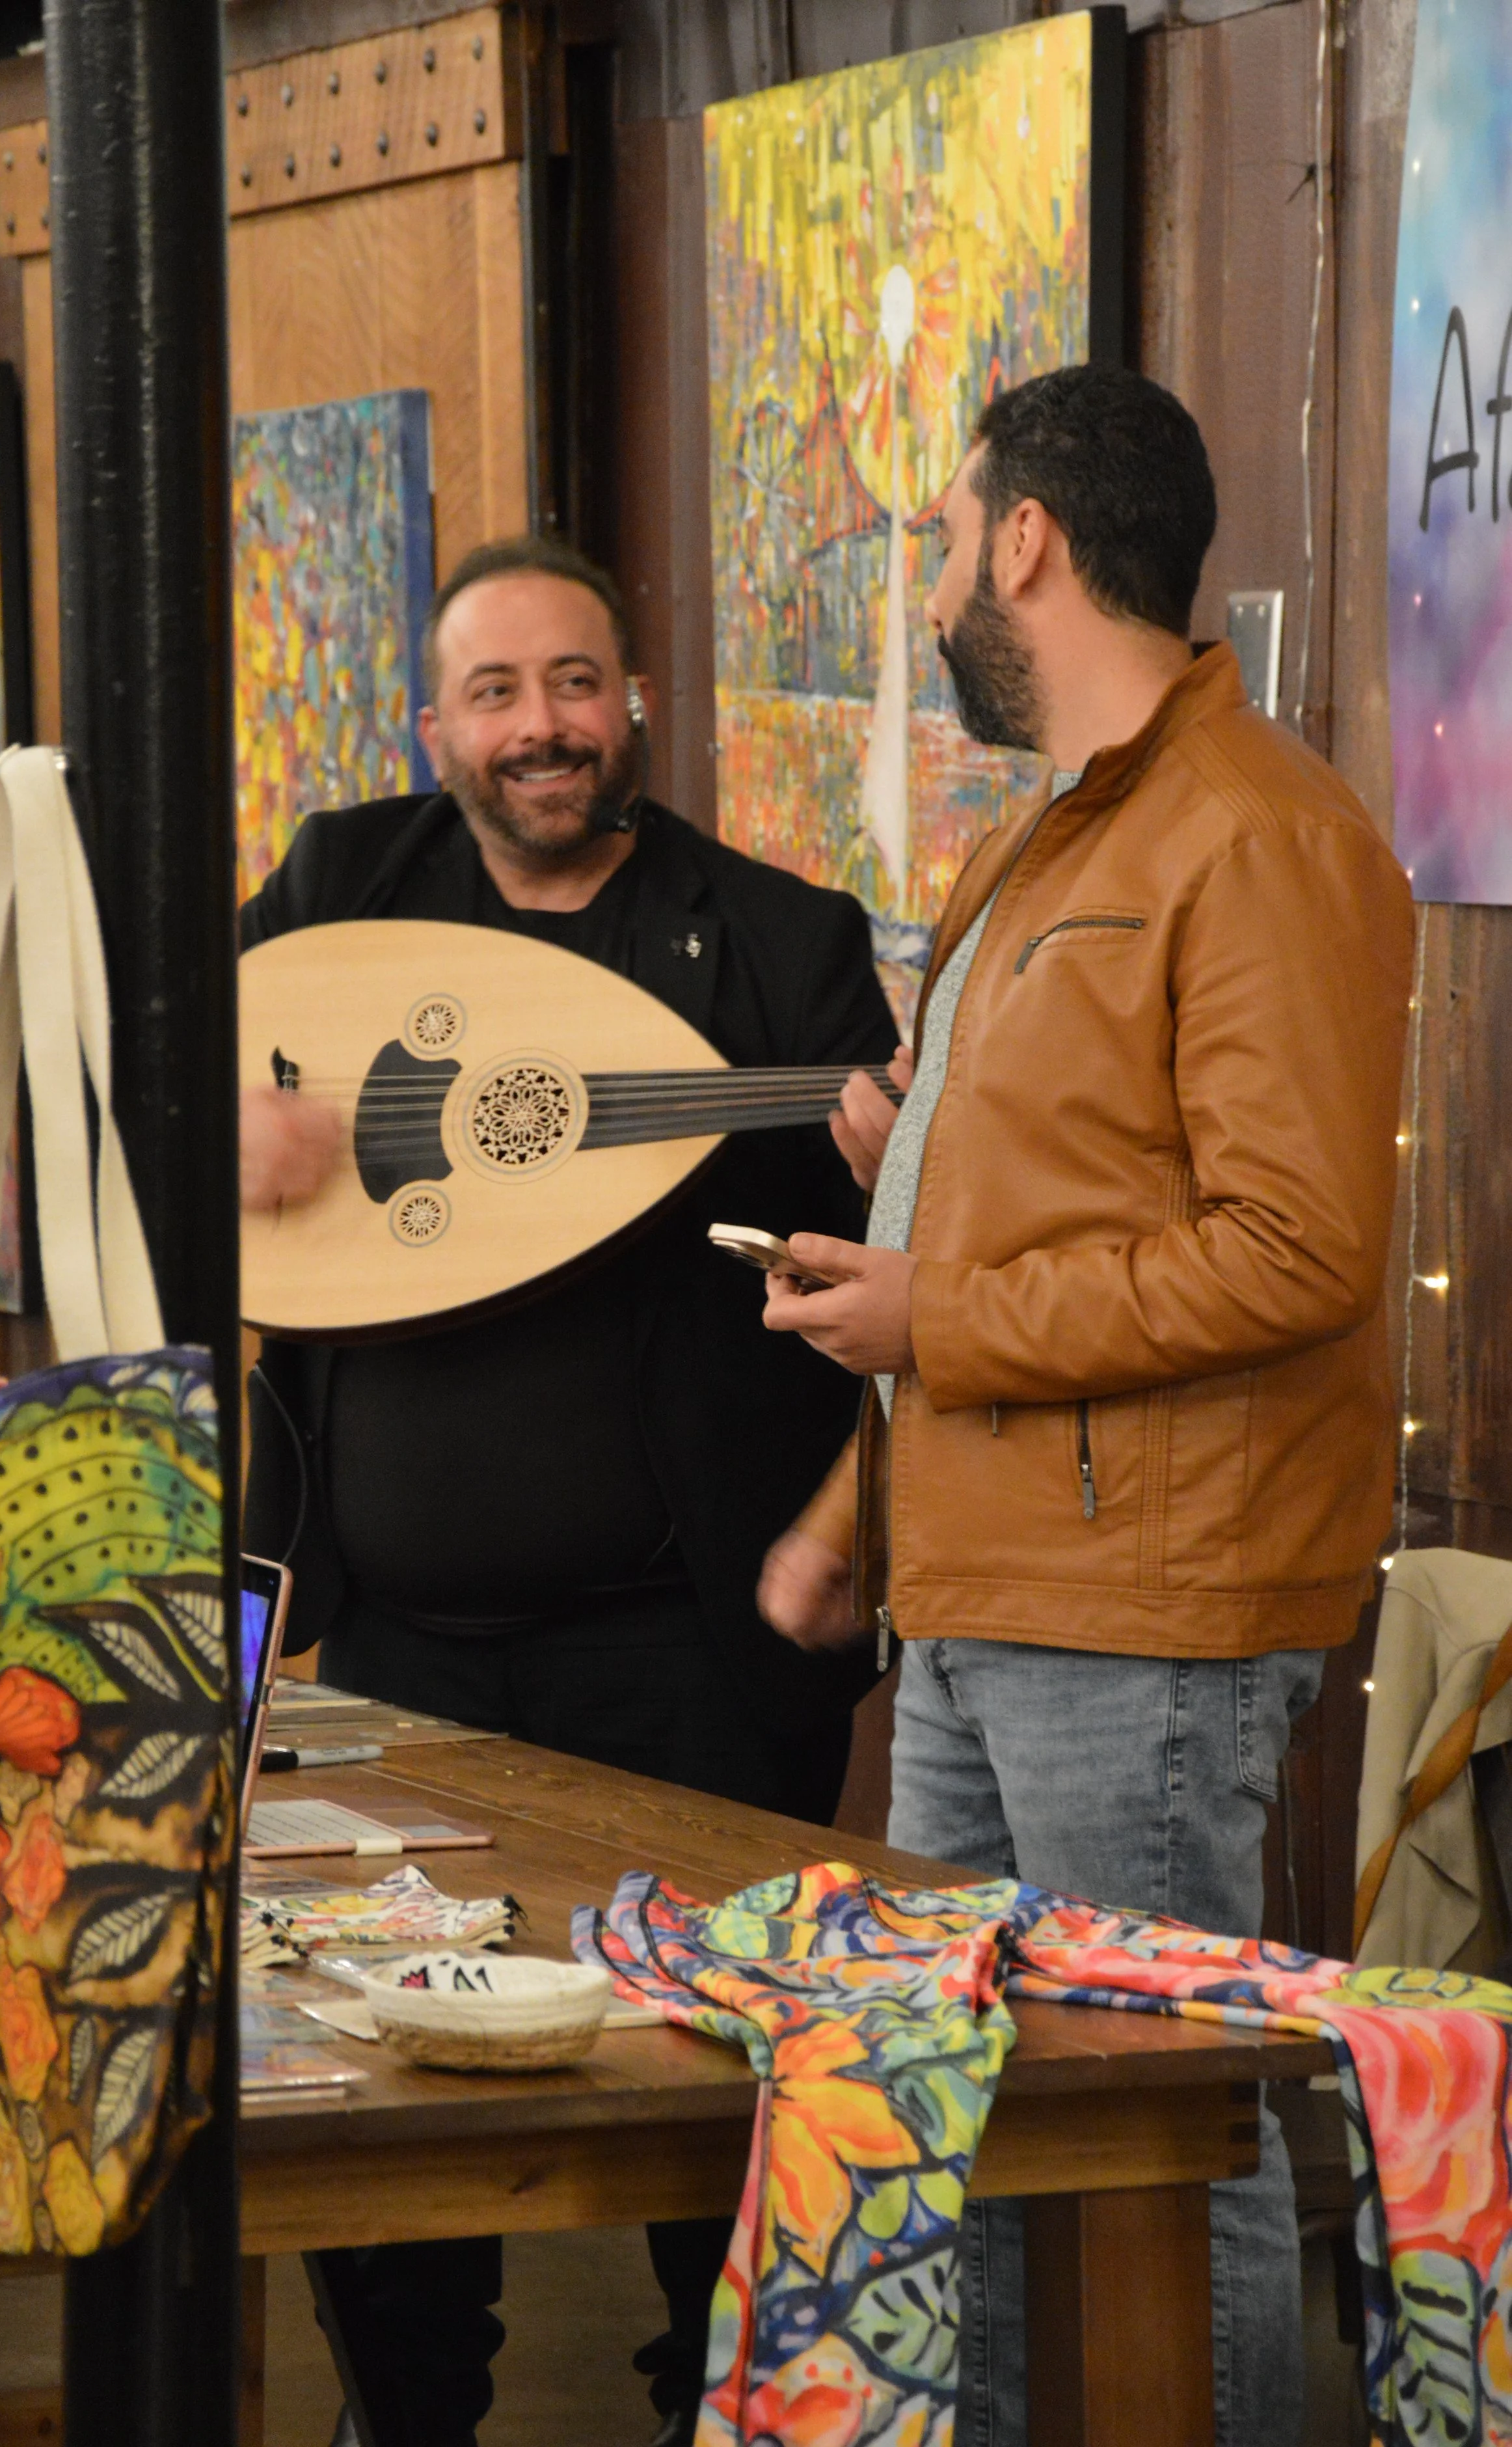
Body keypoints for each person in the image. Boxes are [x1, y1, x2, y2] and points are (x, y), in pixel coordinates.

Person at [758, 363, 1415, 2447]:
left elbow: (1297, 1251)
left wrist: (934, 1305)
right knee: (971, 2131)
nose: (942, 576)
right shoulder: (1050, 837)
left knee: (1159, 2134)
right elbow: (1065, 1190)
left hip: (1141, 1616)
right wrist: (908, 1150)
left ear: (1026, 538)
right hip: (978, 1586)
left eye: (948, 535)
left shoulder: (1262, 834)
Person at [239, 532, 897, 2447]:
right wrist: (223, 1124)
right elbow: (129, 1094)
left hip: (679, 1649)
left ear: (633, 703)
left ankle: (721, 2414)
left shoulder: (780, 941)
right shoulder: (340, 890)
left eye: (579, 686)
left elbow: (901, 1263)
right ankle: (405, 2420)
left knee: (713, 2079)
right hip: (397, 1645)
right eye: (502, 693)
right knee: (381, 2074)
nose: (547, 730)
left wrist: (876, 1169)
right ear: (434, 722)